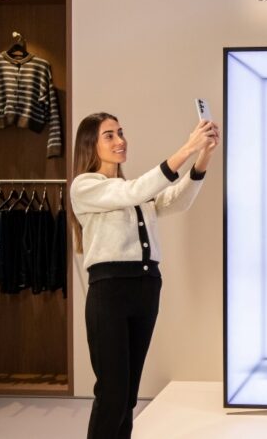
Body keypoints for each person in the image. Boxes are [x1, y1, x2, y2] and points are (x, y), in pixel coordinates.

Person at [69, 112, 219, 438]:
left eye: (120, 132)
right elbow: (134, 192)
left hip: (146, 288)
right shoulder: (85, 186)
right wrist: (187, 147)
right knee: (112, 393)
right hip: (110, 291)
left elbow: (176, 201)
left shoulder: (132, 190)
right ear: (91, 144)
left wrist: (203, 156)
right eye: (109, 135)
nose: (120, 140)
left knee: (128, 395)